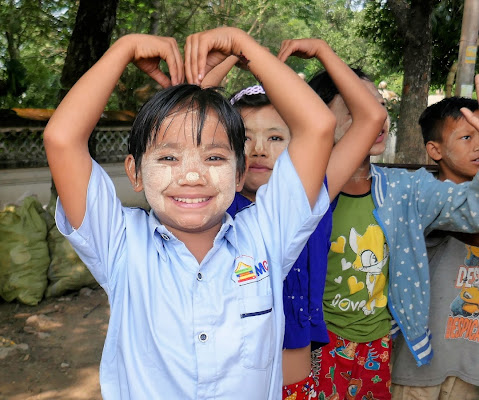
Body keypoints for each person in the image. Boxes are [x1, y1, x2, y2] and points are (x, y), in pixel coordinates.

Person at [43, 27, 336, 400]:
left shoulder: (267, 235)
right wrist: (124, 48)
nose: (193, 175)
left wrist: (244, 47)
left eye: (214, 157)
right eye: (168, 157)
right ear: (134, 172)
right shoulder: (120, 244)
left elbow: (317, 127)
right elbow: (62, 139)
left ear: (240, 172)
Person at [201, 38, 387, 400]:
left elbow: (371, 117)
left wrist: (324, 52)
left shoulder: (311, 197)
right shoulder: (211, 206)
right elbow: (181, 118)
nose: (258, 149)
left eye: (275, 137)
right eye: (244, 137)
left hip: (298, 381)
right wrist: (231, 58)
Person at [311, 69, 479, 399]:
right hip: (315, 348)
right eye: (357, 107)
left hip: (378, 349)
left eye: (378, 105)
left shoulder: (403, 190)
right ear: (317, 118)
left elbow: (472, 210)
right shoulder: (301, 193)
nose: (376, 117)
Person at [391, 91, 479, 399]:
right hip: (420, 372)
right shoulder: (425, 198)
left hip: (471, 368)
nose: (478, 144)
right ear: (435, 150)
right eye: (467, 136)